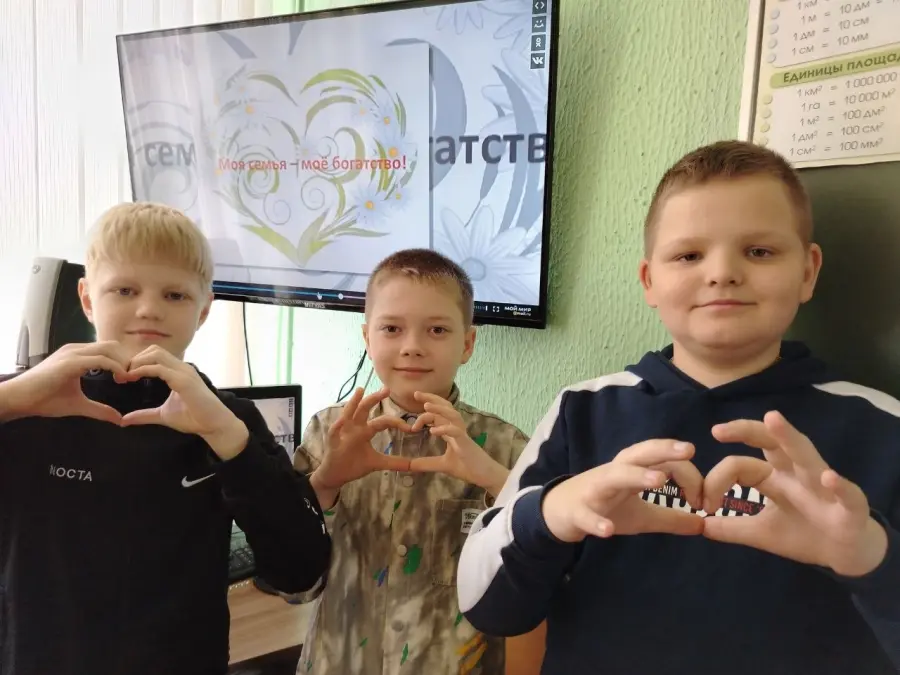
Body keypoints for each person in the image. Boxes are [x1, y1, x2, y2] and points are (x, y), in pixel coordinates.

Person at [456, 141, 900, 674]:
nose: (722, 273)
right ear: (649, 280)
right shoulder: (584, 411)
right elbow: (483, 604)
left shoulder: (882, 426)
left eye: (759, 251)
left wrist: (872, 558)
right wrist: (551, 514)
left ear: (808, 271)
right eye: (689, 255)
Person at [0, 202, 331, 675]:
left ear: (203, 310)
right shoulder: (26, 405)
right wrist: (10, 399)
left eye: (175, 295)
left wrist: (232, 443)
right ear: (88, 298)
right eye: (125, 290)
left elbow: (301, 571)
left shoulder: (228, 419)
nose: (149, 309)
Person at [289, 248, 534, 675]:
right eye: (391, 328)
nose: (413, 347)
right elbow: (291, 583)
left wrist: (495, 479)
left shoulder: (506, 447)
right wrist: (325, 482)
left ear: (467, 344)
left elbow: (542, 578)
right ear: (368, 338)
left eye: (437, 329)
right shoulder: (328, 434)